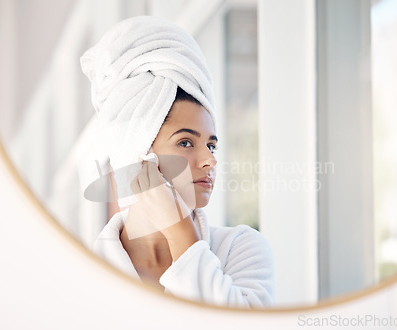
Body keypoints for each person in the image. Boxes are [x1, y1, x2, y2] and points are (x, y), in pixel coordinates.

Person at [80, 16, 274, 308]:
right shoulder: (84, 274)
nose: (210, 160)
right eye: (186, 142)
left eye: (211, 145)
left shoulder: (240, 250)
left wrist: (180, 231)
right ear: (137, 155)